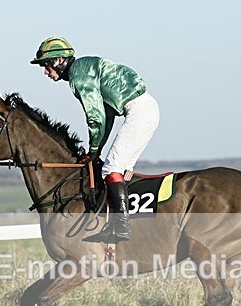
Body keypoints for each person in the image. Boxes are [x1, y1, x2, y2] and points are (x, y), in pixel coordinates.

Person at [31, 37, 160, 242]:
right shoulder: (84, 69)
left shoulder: (78, 76)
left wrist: (92, 151)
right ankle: (127, 223)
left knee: (111, 169)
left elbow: (95, 117)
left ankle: (121, 228)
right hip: (144, 109)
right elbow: (107, 116)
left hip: (139, 111)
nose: (45, 72)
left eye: (46, 66)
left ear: (58, 61)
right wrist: (96, 151)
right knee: (122, 171)